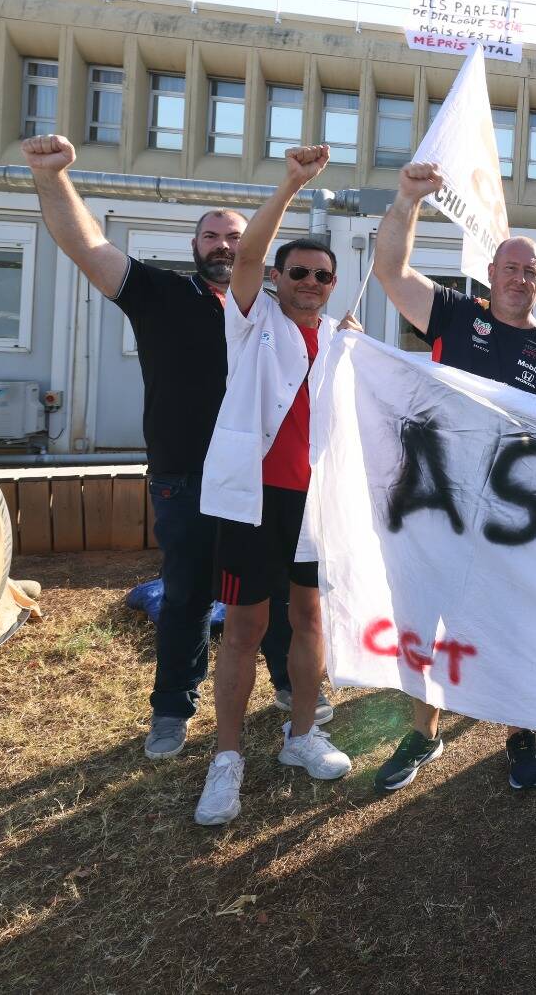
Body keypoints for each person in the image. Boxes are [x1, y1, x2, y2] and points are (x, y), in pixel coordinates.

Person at [21, 133, 316, 760]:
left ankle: (292, 688)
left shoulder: (271, 315)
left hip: (260, 481)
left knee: (271, 592)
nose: (225, 245)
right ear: (194, 247)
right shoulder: (161, 296)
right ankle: (173, 712)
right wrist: (52, 179)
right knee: (186, 595)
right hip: (185, 477)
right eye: (212, 236)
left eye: (236, 237)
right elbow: (88, 247)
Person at [365, 162, 536, 794]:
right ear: (490, 275)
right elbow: (389, 272)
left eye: (530, 271)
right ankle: (424, 734)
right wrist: (407, 198)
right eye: (509, 268)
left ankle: (518, 733)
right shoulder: (458, 317)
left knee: (510, 624)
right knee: (428, 615)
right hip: (437, 501)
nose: (519, 279)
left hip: (512, 517)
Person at [194, 145, 355, 826]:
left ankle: (301, 736)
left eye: (322, 274)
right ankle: (226, 758)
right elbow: (251, 253)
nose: (311, 281)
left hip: (314, 503)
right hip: (255, 497)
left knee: (310, 618)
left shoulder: (344, 341)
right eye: (300, 271)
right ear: (280, 278)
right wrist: (292, 183)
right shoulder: (252, 318)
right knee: (245, 625)